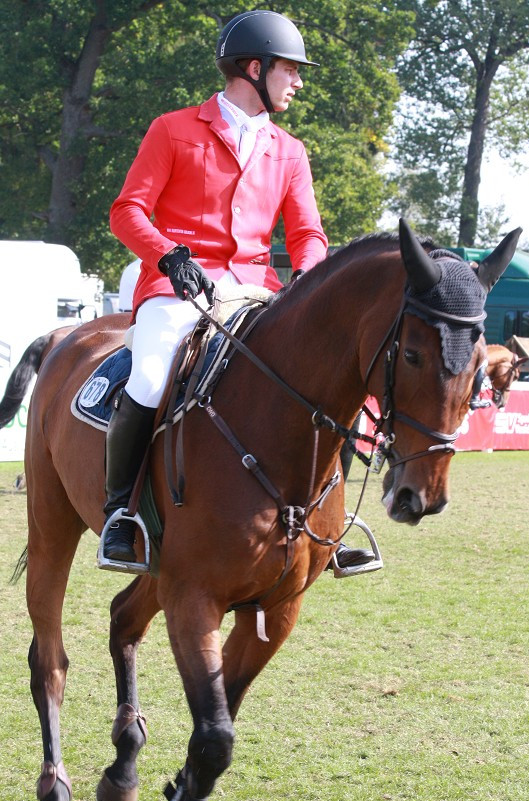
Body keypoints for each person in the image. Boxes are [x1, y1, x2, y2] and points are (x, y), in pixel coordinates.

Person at [103, 9, 375, 572]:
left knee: (330, 380)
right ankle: (120, 514)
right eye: (290, 70)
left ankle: (334, 521)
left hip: (255, 291)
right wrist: (168, 255)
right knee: (152, 374)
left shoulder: (290, 150)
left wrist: (311, 280)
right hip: (180, 289)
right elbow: (127, 210)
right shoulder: (174, 129)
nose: (298, 81)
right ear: (254, 67)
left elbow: (306, 234)